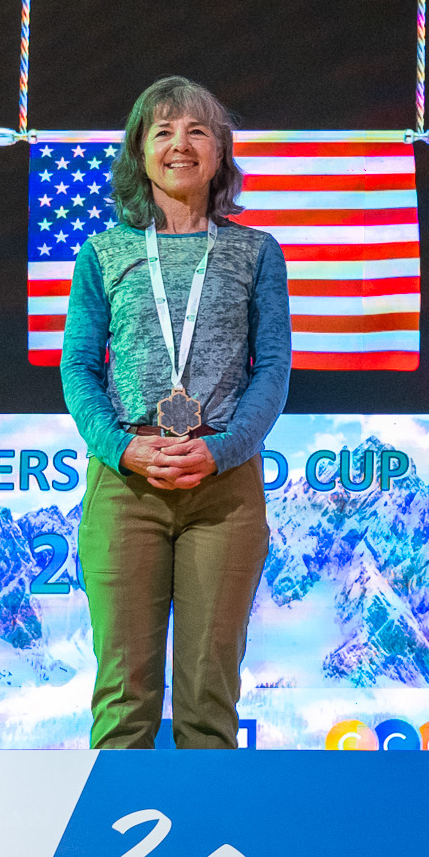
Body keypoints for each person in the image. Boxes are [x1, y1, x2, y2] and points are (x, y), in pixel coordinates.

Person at [57, 79, 291, 749]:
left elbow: (273, 369)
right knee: (123, 701)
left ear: (219, 153)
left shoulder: (256, 252)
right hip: (126, 484)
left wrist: (222, 450)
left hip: (224, 486)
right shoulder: (103, 253)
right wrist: (121, 448)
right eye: (162, 131)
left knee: (209, 702)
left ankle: (206, 823)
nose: (180, 144)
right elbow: (78, 367)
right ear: (140, 151)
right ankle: (115, 823)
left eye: (197, 130)